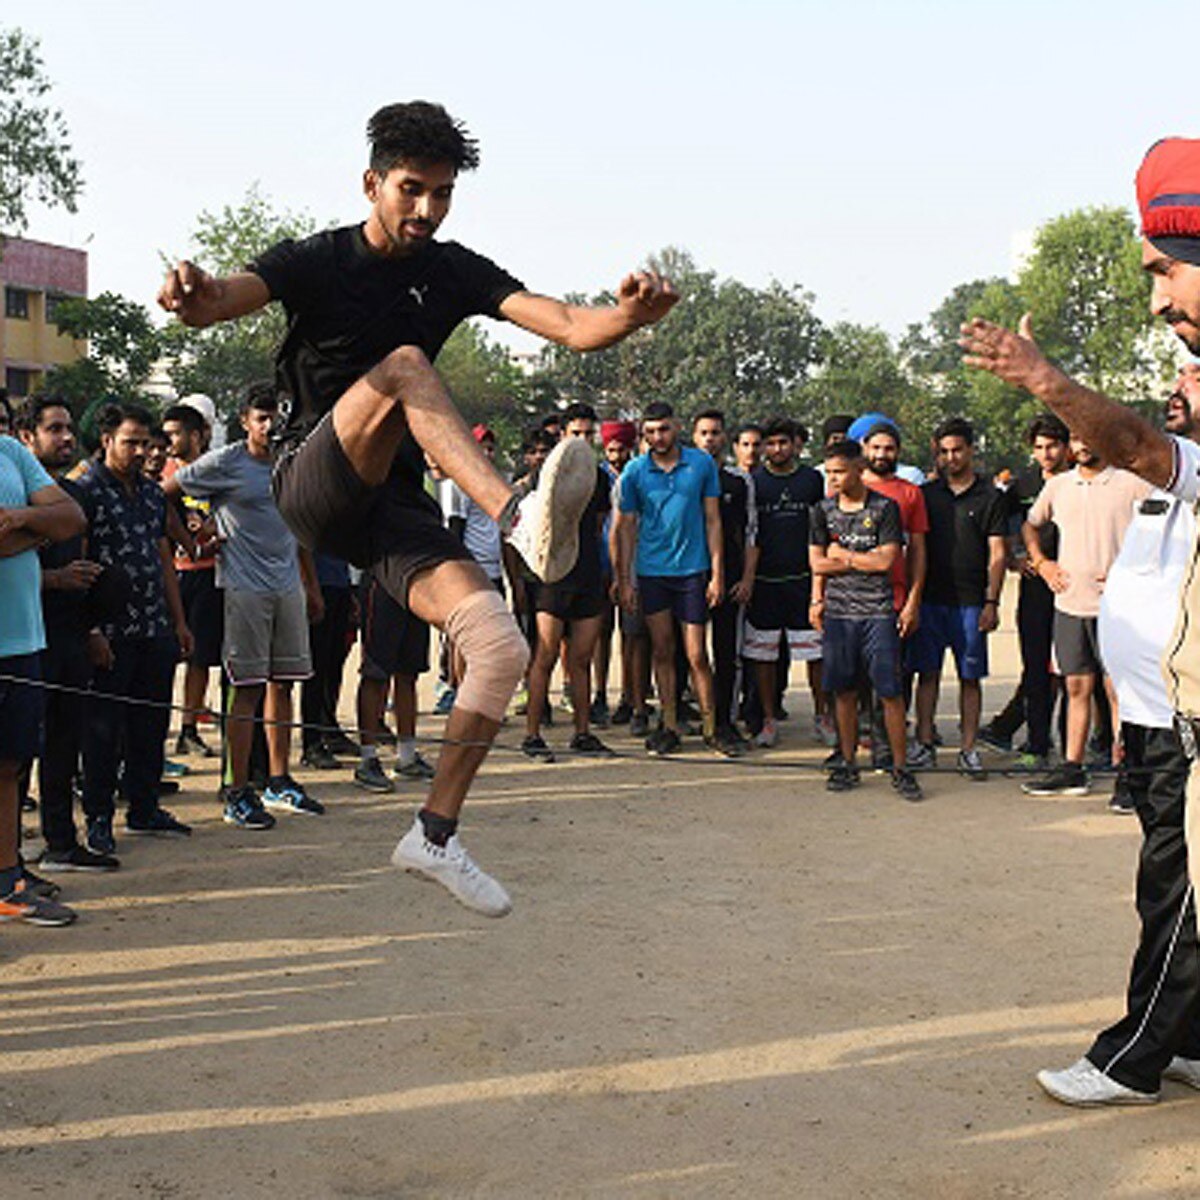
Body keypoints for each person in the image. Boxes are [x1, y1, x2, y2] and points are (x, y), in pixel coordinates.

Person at [158, 100, 677, 916]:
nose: (428, 210)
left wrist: (631, 318)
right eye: (412, 190)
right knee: (403, 365)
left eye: (442, 194)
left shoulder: (451, 267)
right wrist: (192, 296)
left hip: (386, 504)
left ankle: (434, 835)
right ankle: (517, 517)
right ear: (372, 183)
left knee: (499, 650)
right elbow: (226, 296)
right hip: (310, 479)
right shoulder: (317, 259)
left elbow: (571, 324)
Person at [958, 135, 1200, 1105]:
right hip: (1162, 713)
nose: (1155, 304)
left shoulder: (1144, 454)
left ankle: (1130, 1057)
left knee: (1182, 900)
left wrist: (1044, 380)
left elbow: (1141, 442)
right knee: (1171, 889)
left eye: (1162, 272)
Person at [166, 386, 324, 829]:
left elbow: (299, 526)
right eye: (262, 417)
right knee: (248, 688)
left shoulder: (291, 462)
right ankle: (237, 790)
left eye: (278, 416)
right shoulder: (225, 463)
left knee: (284, 685)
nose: (271, 425)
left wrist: (311, 586)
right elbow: (164, 492)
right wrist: (192, 533)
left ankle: (279, 779)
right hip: (243, 589)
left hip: (287, 586)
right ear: (244, 421)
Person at [77, 404, 194, 852]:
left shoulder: (150, 493)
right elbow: (80, 559)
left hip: (154, 626)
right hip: (109, 631)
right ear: (107, 440)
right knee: (103, 730)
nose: (143, 451)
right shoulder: (85, 490)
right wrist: (90, 630)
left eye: (147, 443)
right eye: (132, 442)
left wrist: (178, 620)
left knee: (150, 723)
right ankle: (99, 818)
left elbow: (164, 558)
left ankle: (144, 809)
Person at [16, 397, 119, 873]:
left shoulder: (70, 499)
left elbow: (81, 556)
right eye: (53, 429)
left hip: (68, 635)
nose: (65, 438)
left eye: (67, 428)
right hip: (20, 636)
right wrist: (53, 580)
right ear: (25, 438)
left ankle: (61, 841)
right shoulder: (14, 494)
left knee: (64, 744)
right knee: (15, 755)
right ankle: (11, 855)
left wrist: (92, 629)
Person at [1020, 436, 1149, 797]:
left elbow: (1162, 528)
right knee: (1076, 686)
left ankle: (1128, 772)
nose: (1084, 444)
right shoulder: (1059, 486)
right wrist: (1042, 563)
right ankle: (1072, 767)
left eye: (1091, 435)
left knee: (1118, 691)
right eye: (1076, 437)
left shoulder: (1131, 482)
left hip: (1120, 607)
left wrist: (1137, 570)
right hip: (1070, 604)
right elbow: (1030, 525)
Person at [0, 424, 86, 924]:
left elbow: (71, 517)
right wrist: (36, 532)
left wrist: (18, 519)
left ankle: (7, 878)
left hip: (22, 640)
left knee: (9, 766)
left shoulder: (10, 451)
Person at [810, 440, 922, 801]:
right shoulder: (821, 510)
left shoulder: (884, 508)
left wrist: (842, 554)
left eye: (840, 471)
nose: (834, 479)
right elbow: (817, 564)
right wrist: (821, 594)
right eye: (829, 473)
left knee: (890, 692)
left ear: (859, 469)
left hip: (878, 611)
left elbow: (887, 562)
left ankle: (900, 768)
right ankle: (846, 762)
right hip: (840, 614)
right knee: (843, 691)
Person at [614, 401, 723, 756]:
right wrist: (625, 579)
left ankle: (711, 726)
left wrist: (717, 574)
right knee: (662, 650)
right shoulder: (634, 472)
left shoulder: (701, 464)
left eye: (663, 429)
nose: (658, 437)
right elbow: (626, 527)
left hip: (692, 571)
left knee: (696, 654)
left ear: (676, 427)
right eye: (650, 431)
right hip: (652, 572)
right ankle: (670, 724)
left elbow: (712, 520)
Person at [907, 417, 1007, 781]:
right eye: (944, 451)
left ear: (971, 450)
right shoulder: (926, 495)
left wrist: (991, 602)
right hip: (931, 600)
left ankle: (968, 750)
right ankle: (923, 742)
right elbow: (915, 549)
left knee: (970, 677)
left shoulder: (990, 496)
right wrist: (913, 601)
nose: (951, 457)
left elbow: (998, 552)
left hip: (970, 603)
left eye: (958, 450)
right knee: (927, 674)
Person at [522, 403, 614, 761]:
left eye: (589, 434)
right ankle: (532, 734)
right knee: (544, 655)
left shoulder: (600, 477)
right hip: (550, 576)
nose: (582, 440)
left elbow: (598, 525)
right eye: (576, 433)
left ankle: (583, 732)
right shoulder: (542, 476)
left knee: (582, 658)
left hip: (588, 573)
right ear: (562, 434)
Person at [979, 413, 1071, 768]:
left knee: (1074, 672)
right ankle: (1036, 744)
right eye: (1039, 448)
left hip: (1073, 586)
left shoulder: (1080, 482)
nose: (1046, 454)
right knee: (1035, 668)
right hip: (1035, 588)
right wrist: (1018, 559)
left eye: (1052, 446)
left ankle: (1077, 750)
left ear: (1065, 448)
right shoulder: (1021, 486)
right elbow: (1002, 531)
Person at [743, 416, 823, 748]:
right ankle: (768, 719)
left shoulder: (812, 480)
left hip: (804, 582)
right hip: (764, 583)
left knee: (816, 655)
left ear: (796, 444)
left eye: (783, 442)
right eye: (771, 443)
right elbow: (750, 535)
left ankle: (824, 717)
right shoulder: (753, 482)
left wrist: (822, 582)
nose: (777, 449)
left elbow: (822, 531)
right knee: (764, 656)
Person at [693, 408, 757, 755]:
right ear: (693, 436)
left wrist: (747, 577)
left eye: (716, 432)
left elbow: (750, 533)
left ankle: (725, 722)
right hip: (687, 575)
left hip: (730, 579)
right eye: (704, 433)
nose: (710, 439)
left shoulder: (738, 481)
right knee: (684, 651)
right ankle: (682, 718)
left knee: (727, 652)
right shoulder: (683, 476)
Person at [162, 402, 223, 758]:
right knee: (166, 655)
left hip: (210, 572)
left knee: (200, 656)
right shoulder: (164, 472)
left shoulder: (214, 472)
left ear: (198, 435)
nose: (169, 441)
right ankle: (159, 739)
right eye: (166, 434)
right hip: (176, 573)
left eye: (175, 434)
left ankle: (189, 727)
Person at [354, 574, 436, 792]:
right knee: (376, 674)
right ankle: (367, 759)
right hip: (383, 582)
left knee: (409, 673)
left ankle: (407, 757)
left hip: (416, 584)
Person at [590, 418, 637, 727]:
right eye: (610, 449)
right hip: (600, 564)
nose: (615, 455)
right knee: (600, 632)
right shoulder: (596, 477)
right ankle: (600, 693)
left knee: (631, 635)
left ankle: (630, 696)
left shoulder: (637, 474)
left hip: (633, 565)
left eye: (621, 449)